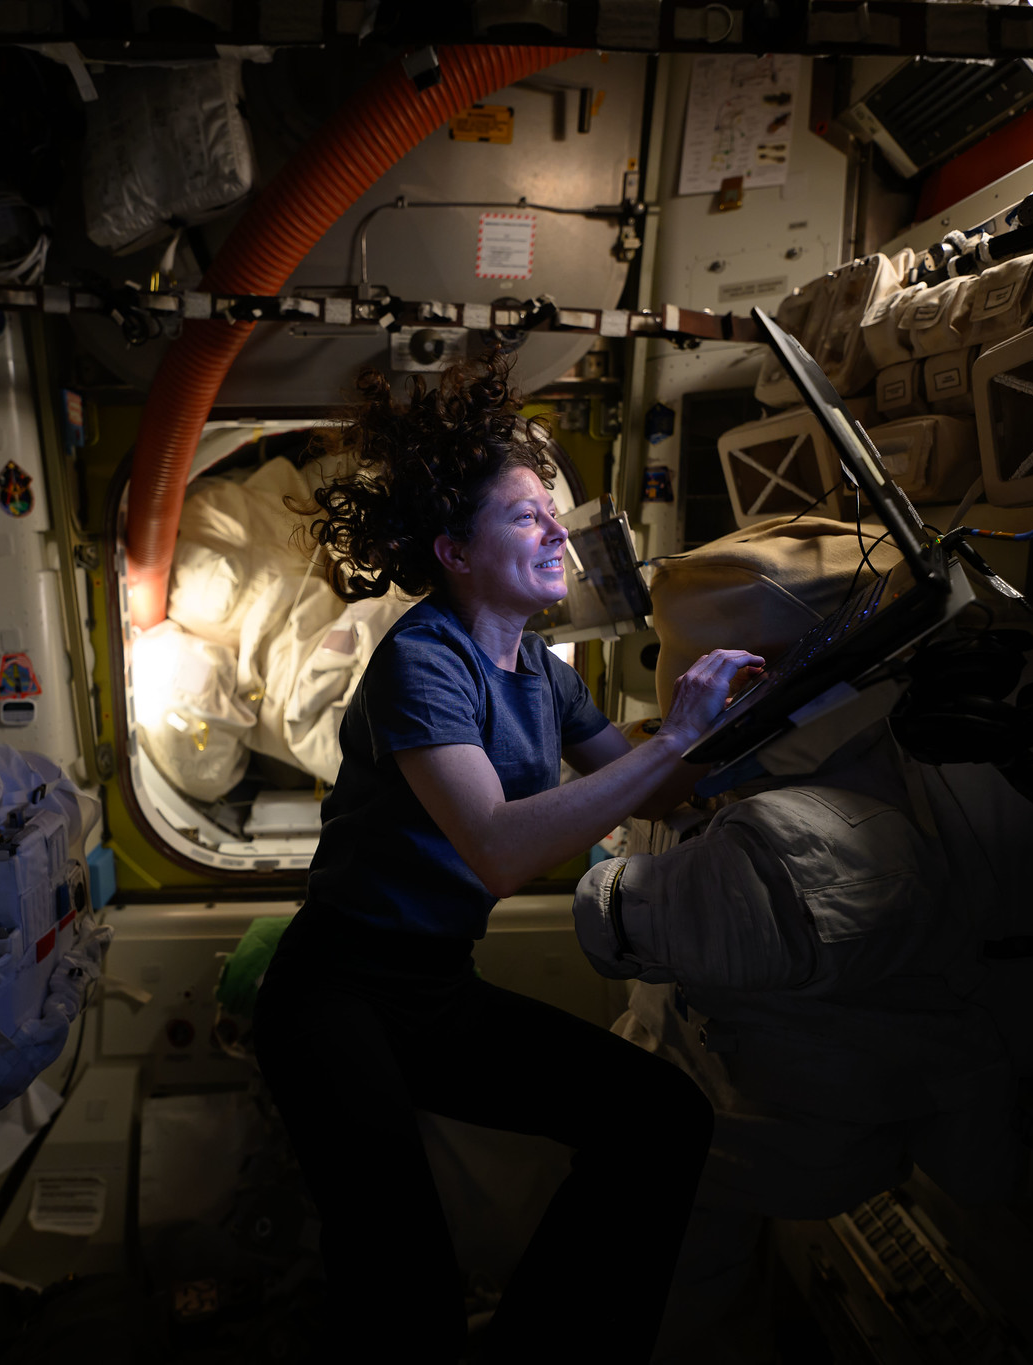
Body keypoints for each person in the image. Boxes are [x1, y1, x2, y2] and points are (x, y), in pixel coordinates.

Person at [251, 355, 764, 1364]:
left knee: (658, 1122)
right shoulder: (423, 662)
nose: (554, 534)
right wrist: (672, 740)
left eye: (552, 515)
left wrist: (730, 725)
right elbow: (492, 847)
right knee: (402, 1288)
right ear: (453, 551)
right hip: (334, 997)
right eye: (525, 517)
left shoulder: (538, 668)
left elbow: (655, 788)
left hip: (432, 990)